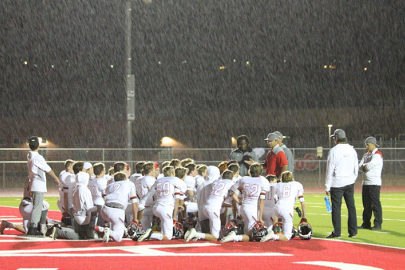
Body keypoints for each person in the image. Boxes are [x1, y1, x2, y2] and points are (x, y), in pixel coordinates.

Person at [221, 163, 270, 243]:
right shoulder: (263, 181)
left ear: (250, 171)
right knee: (251, 236)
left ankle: (235, 235)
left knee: (247, 232)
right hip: (251, 210)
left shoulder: (244, 179)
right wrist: (260, 217)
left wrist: (240, 202)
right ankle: (234, 237)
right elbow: (261, 201)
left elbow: (234, 195)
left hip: (243, 208)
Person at [137, 166, 186, 242]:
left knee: (163, 231)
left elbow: (150, 193)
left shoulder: (158, 180)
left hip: (156, 207)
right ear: (173, 173)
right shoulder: (175, 180)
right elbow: (183, 189)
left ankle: (151, 235)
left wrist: (142, 203)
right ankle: (151, 234)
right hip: (166, 208)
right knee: (168, 236)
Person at [185, 170, 236, 241]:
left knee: (211, 232)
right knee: (215, 237)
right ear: (232, 178)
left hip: (205, 207)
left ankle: (193, 233)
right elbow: (234, 197)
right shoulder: (231, 183)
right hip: (213, 209)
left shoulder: (215, 182)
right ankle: (196, 233)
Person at [325, 129, 358, 239]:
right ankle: (353, 231)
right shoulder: (352, 150)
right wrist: (353, 178)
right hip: (349, 182)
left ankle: (337, 232)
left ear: (336, 138)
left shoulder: (334, 151)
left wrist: (327, 185)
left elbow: (330, 169)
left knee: (336, 208)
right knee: (351, 207)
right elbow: (355, 167)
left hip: (337, 183)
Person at [26, 136, 60, 236]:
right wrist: (56, 178)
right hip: (38, 184)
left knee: (37, 206)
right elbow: (47, 169)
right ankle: (32, 227)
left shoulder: (30, 156)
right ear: (38, 145)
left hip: (34, 183)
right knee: (37, 206)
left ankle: (34, 226)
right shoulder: (38, 157)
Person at [261, 171, 306, 242]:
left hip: (276, 208)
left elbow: (275, 198)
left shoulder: (278, 185)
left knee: (270, 221)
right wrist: (304, 217)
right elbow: (302, 202)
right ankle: (274, 235)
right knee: (287, 236)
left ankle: (270, 230)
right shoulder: (297, 184)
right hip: (287, 210)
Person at [101, 172, 139, 243]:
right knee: (118, 238)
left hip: (105, 209)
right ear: (125, 178)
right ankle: (107, 231)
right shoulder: (129, 184)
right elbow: (134, 203)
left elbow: (105, 198)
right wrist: (135, 218)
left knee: (114, 224)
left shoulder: (109, 185)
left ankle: (111, 230)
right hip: (117, 211)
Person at [358, 136, 383, 230]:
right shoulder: (366, 154)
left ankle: (378, 224)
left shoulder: (377, 154)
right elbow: (360, 166)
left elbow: (369, 166)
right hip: (365, 183)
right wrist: (364, 166)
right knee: (366, 205)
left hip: (374, 183)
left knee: (375, 204)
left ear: (373, 144)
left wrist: (364, 166)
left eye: (367, 145)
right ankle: (366, 223)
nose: (366, 147)